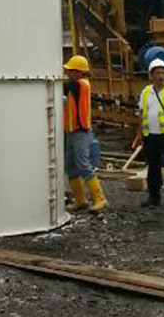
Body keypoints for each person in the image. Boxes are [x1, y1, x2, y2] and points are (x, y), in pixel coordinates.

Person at [63, 54, 106, 212]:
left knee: (83, 165)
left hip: (81, 132)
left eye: (70, 70)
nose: (68, 73)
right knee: (71, 166)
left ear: (79, 72)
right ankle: (80, 200)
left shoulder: (82, 84)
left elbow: (66, 86)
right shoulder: (76, 85)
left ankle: (99, 199)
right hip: (72, 131)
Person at [133, 59, 164, 208]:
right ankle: (153, 197)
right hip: (150, 135)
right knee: (153, 166)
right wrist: (139, 134)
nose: (161, 76)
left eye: (163, 73)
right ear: (151, 75)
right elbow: (142, 113)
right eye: (157, 73)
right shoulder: (146, 92)